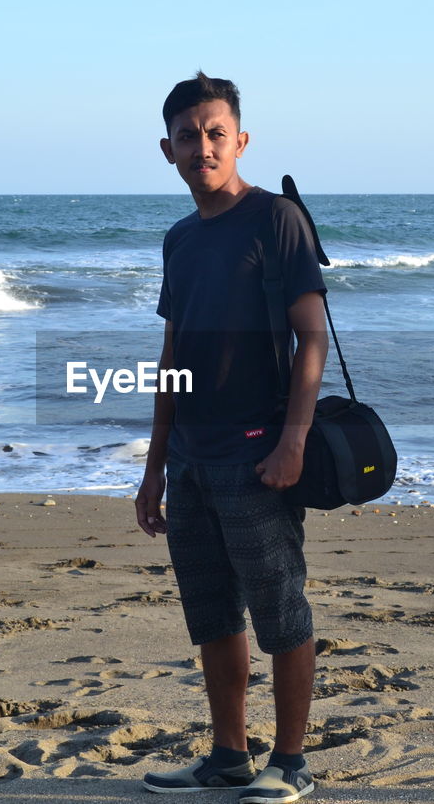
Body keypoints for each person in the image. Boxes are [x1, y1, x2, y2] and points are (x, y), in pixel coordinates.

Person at [134, 72, 328, 803]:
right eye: (188, 135)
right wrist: (154, 468)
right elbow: (172, 358)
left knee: (281, 610)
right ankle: (226, 754)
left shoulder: (276, 219)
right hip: (191, 461)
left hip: (258, 453)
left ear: (240, 140)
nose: (203, 146)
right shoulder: (178, 239)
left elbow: (310, 336)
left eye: (216, 133)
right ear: (167, 149)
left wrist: (294, 438)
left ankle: (291, 760)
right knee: (211, 612)